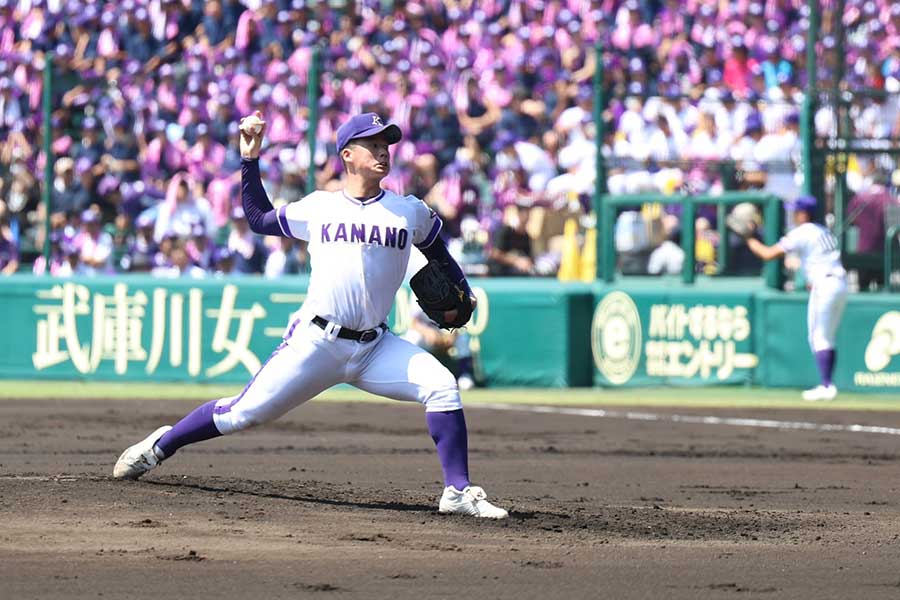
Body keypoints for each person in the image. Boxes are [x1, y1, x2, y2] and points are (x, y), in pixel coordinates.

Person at [113, 111, 508, 519]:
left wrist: (462, 289)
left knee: (442, 386)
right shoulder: (319, 207)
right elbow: (258, 219)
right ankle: (161, 445)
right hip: (316, 342)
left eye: (386, 144)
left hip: (376, 347)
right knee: (240, 414)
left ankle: (458, 490)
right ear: (347, 155)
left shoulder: (408, 210)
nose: (382, 152)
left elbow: (439, 253)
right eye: (372, 144)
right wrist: (250, 160)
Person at [739, 195, 848, 401]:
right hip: (840, 285)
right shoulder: (825, 231)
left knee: (818, 337)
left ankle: (826, 385)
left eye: (796, 211)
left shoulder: (803, 231)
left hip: (824, 286)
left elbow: (768, 254)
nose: (793, 214)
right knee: (827, 337)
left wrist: (748, 239)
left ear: (803, 213)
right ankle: (828, 384)